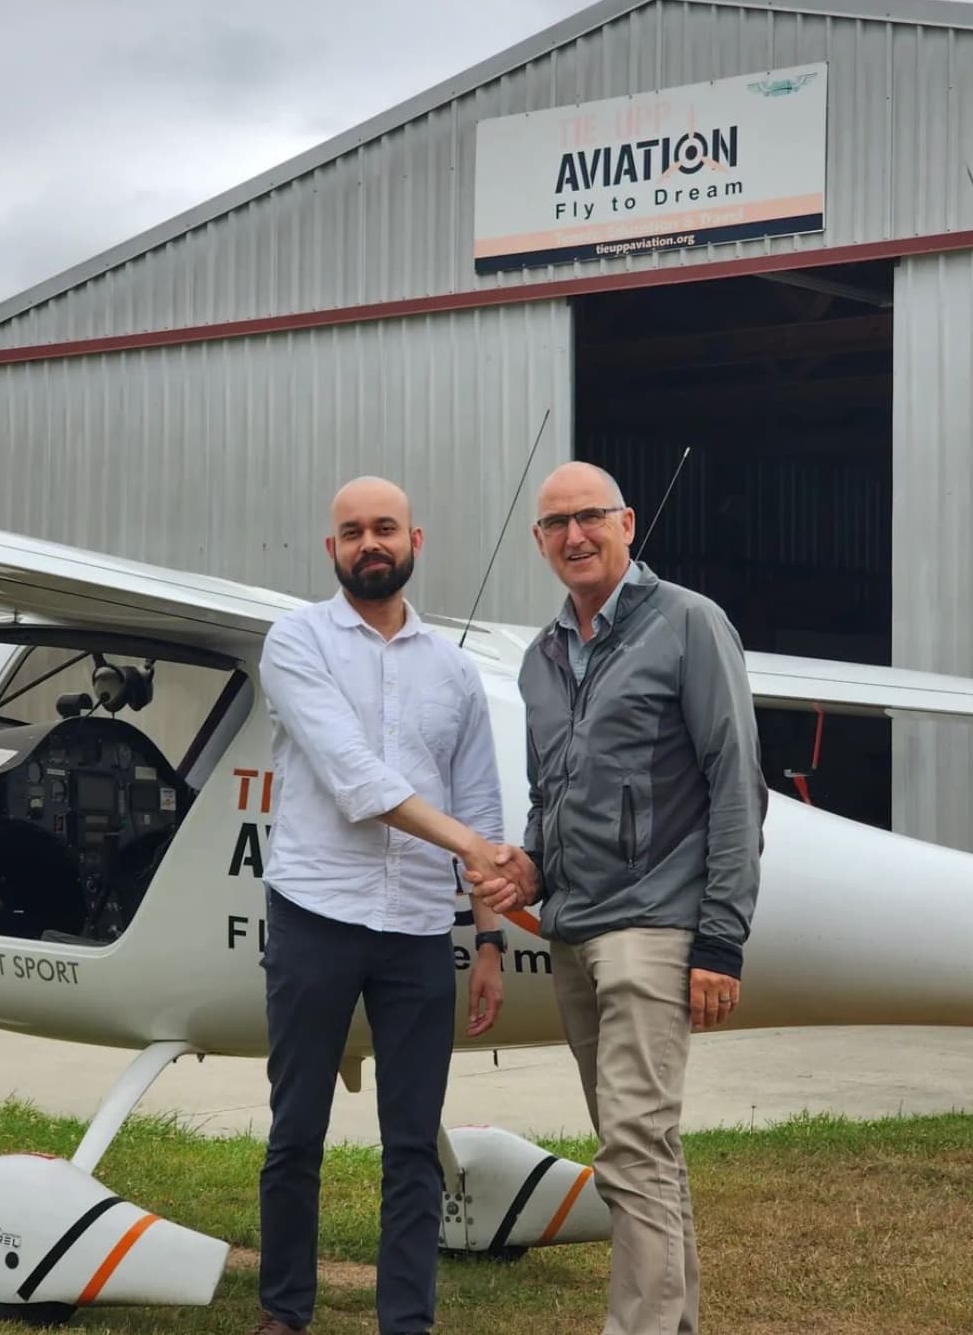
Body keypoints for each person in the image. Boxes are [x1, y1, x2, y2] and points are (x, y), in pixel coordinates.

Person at [474, 460, 766, 1335]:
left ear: (628, 523)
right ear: (539, 541)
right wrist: (529, 867)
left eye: (591, 517)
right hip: (573, 930)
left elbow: (734, 783)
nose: (575, 536)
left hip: (655, 929)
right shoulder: (539, 659)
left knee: (631, 1149)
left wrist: (719, 941)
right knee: (647, 1150)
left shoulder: (688, 624)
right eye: (557, 524)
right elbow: (551, 798)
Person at [252, 475, 517, 1335]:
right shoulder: (295, 642)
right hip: (314, 916)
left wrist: (486, 941)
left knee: (413, 1144)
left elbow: (480, 805)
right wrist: (473, 849)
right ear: (332, 550)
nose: (371, 544)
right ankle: (284, 1312)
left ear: (416, 542)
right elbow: (356, 779)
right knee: (296, 1130)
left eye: (386, 530)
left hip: (413, 930)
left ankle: (408, 1322)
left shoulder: (455, 671)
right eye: (353, 532)